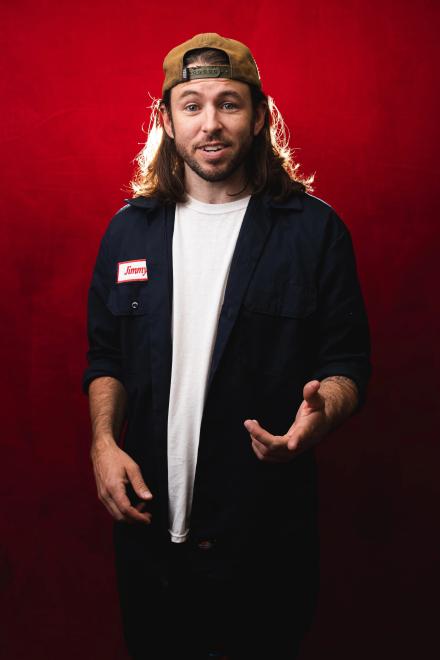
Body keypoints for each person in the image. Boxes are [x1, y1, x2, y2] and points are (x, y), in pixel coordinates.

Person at [83, 32, 371, 660]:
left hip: (264, 541)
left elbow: (347, 363)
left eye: (229, 103)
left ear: (260, 115)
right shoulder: (128, 232)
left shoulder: (316, 232)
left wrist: (321, 416)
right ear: (166, 120)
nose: (210, 124)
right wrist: (104, 442)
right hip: (150, 541)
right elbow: (106, 358)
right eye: (191, 105)